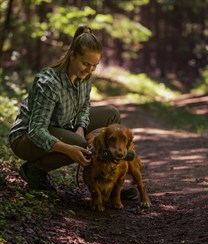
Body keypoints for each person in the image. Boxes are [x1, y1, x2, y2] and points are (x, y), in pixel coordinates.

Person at [9, 25, 138, 199]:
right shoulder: (49, 83)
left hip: (61, 127)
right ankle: (34, 170)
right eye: (86, 64)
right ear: (72, 56)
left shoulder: (85, 77)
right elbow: (36, 130)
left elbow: (84, 106)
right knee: (82, 145)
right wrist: (70, 149)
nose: (89, 70)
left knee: (111, 115)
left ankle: (110, 182)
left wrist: (81, 127)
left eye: (94, 65)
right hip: (26, 139)